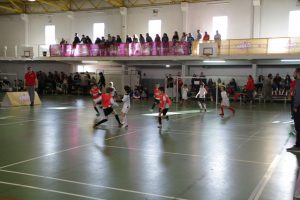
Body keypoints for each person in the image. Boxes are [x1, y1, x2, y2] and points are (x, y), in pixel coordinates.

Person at [287, 68, 300, 151]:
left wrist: (295, 106)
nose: (293, 73)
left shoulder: (299, 82)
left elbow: (298, 95)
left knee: (298, 127)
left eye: (294, 72)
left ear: (298, 73)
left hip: (298, 107)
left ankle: (298, 146)